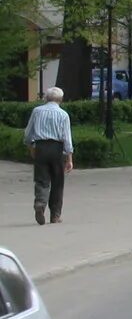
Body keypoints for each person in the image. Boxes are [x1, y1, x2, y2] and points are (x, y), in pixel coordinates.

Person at [26, 84, 71, 225]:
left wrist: (31, 148)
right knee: (58, 182)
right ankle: (55, 215)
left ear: (46, 98)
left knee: (41, 179)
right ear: (61, 99)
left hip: (41, 147)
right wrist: (69, 157)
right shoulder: (63, 114)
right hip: (57, 149)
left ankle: (40, 203)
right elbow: (67, 138)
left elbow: (28, 133)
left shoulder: (37, 111)